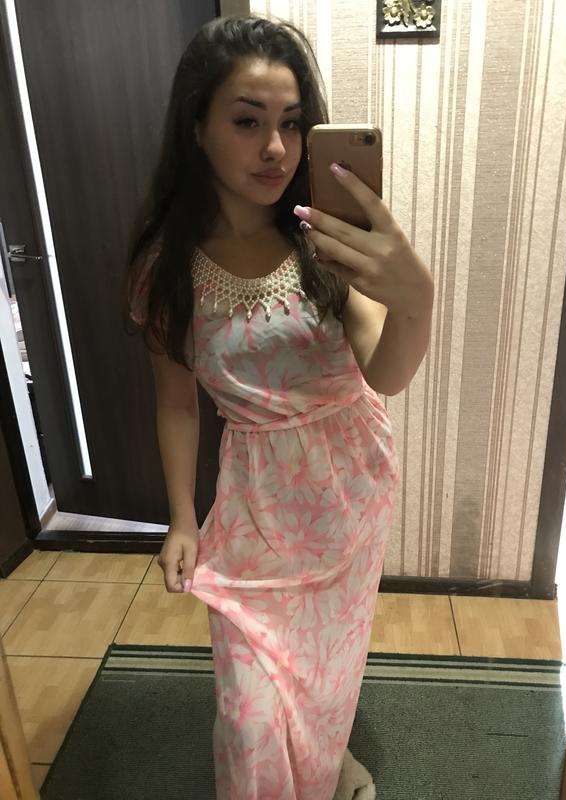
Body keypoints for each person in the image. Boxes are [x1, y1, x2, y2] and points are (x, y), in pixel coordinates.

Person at [124, 12, 434, 800]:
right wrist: (183, 519)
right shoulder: (167, 268)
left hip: (348, 488)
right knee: (247, 714)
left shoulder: (324, 240)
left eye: (292, 124)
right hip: (254, 506)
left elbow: (386, 372)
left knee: (329, 667)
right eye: (247, 121)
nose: (276, 148)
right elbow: (177, 403)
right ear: (197, 126)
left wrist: (417, 300)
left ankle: (326, 758)